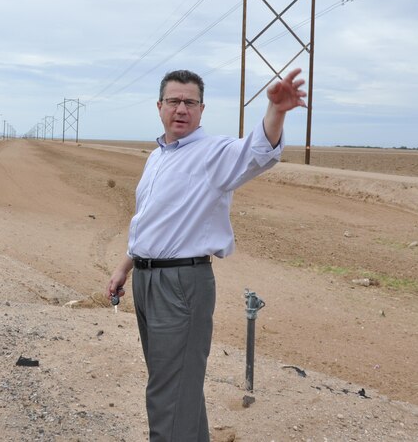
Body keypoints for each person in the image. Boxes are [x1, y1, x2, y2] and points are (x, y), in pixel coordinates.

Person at [106, 68, 307, 442]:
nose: (181, 109)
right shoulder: (157, 158)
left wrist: (276, 111)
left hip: (183, 284)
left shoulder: (214, 153)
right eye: (174, 101)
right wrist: (124, 269)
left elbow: (259, 151)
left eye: (190, 102)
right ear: (159, 106)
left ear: (201, 109)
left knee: (168, 394)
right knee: (176, 387)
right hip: (147, 280)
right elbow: (149, 225)